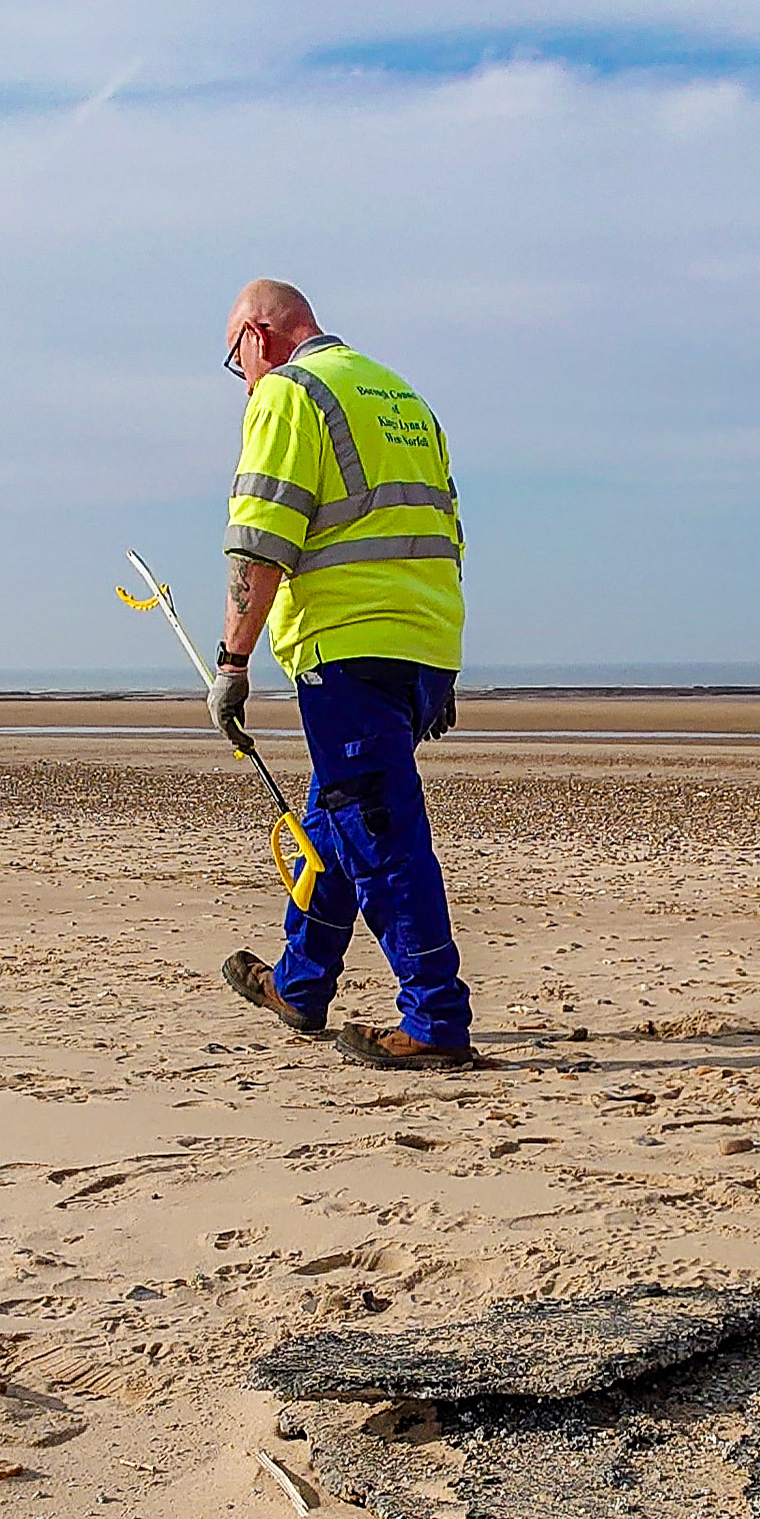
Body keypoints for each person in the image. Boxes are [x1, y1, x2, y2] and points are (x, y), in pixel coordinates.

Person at [207, 279, 476, 1072]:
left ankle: (435, 1019)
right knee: (337, 816)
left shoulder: (291, 393)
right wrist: (442, 666)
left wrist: (231, 662)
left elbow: (259, 537)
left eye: (235, 360)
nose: (241, 378)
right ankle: (300, 984)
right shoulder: (400, 394)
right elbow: (444, 528)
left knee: (381, 836)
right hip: (424, 642)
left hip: (346, 646)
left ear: (258, 336)